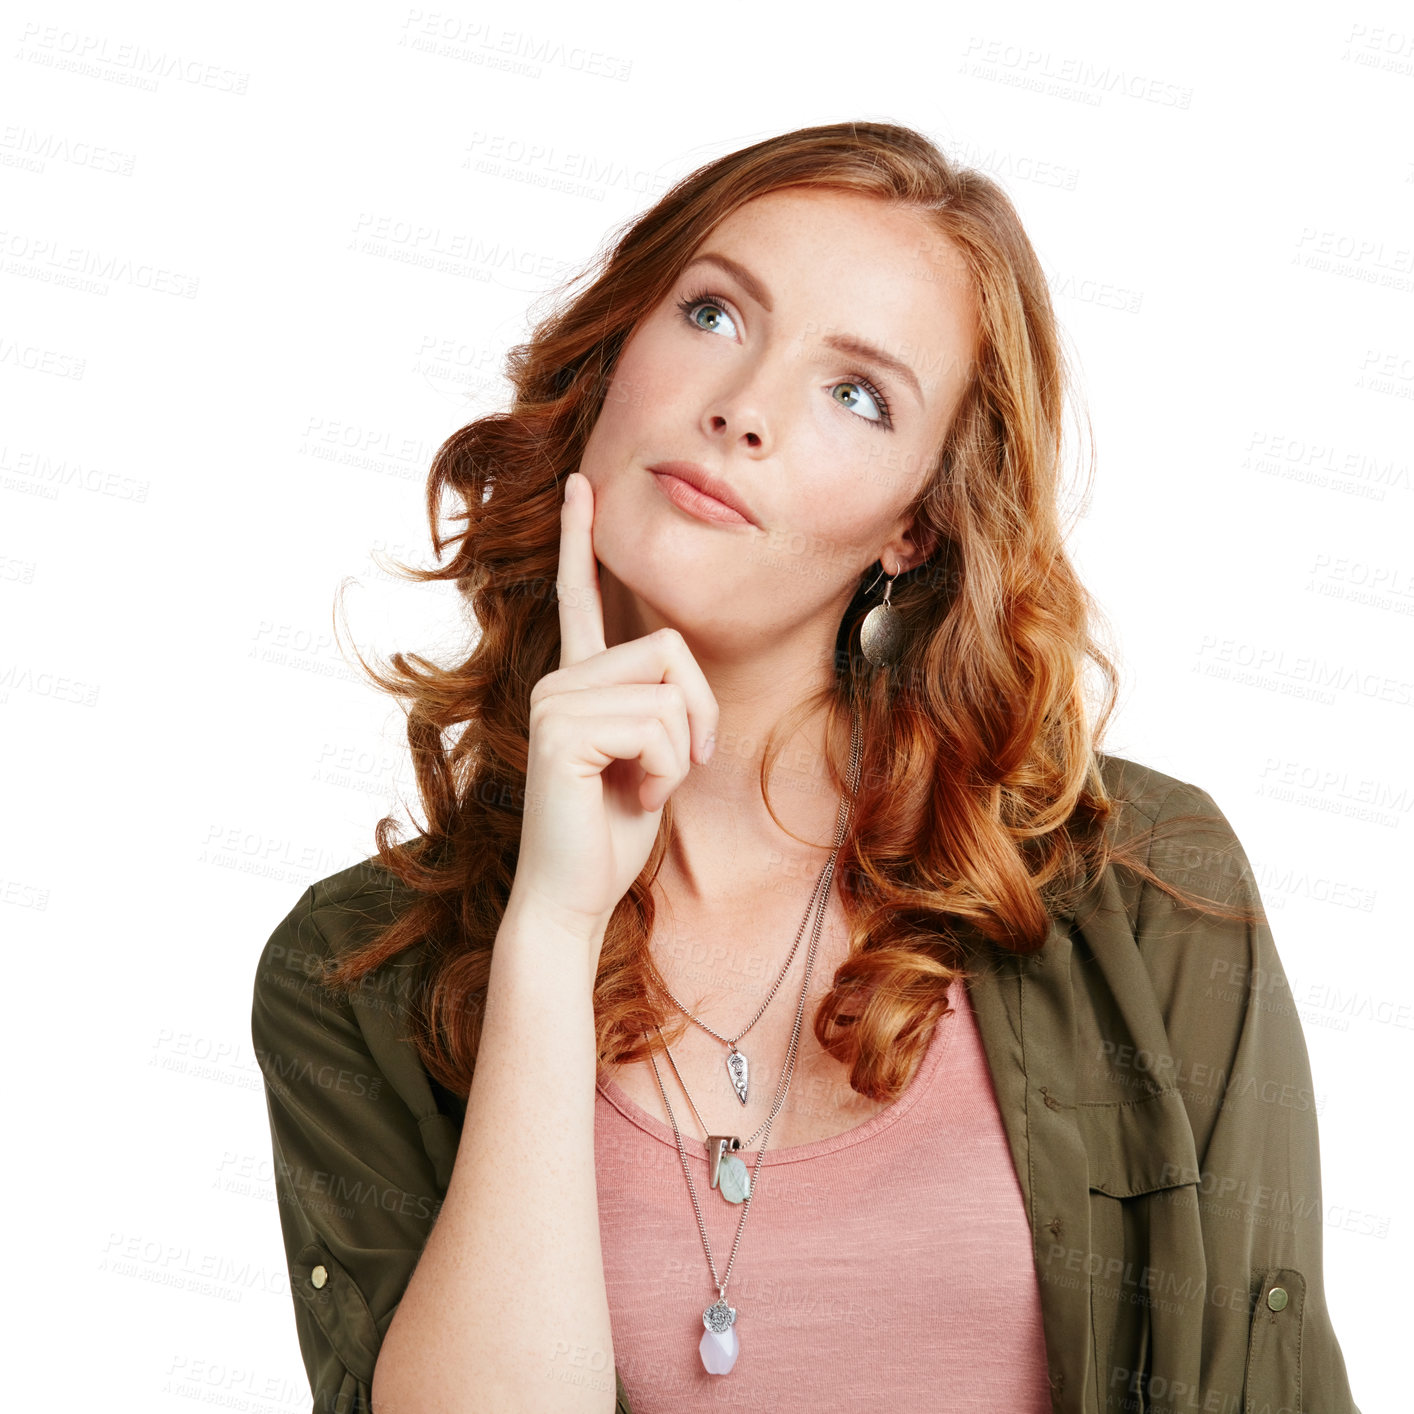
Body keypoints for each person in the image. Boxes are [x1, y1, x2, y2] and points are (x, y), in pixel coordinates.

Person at [251, 121, 1361, 1413]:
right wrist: (551, 933)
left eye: (857, 392)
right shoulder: (353, 973)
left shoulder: (1144, 883)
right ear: (613, 358)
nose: (745, 407)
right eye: (715, 313)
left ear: (913, 521)